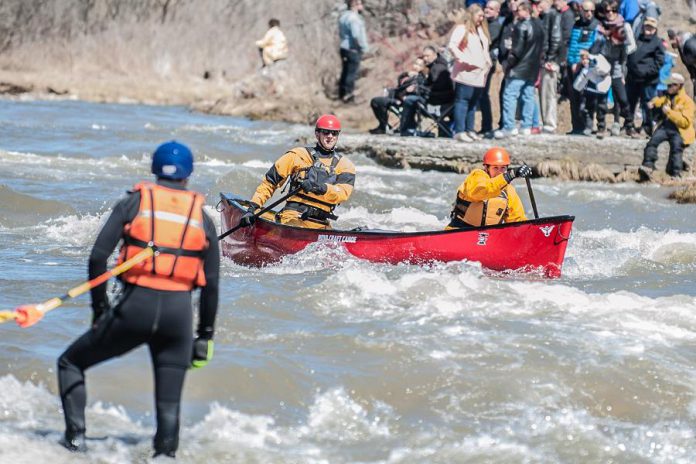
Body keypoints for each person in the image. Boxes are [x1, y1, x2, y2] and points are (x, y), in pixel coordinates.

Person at [57, 141, 220, 458]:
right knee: (169, 404)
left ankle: (73, 446)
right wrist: (205, 337)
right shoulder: (202, 218)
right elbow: (211, 286)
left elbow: (97, 259)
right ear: (188, 176)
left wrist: (100, 309)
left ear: (155, 170)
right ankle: (165, 455)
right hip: (179, 318)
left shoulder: (133, 204)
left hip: (134, 308)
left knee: (70, 362)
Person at [244, 115, 355, 229]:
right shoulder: (297, 155)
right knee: (296, 227)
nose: (330, 136)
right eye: (326, 132)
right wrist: (252, 208)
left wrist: (317, 187)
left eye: (334, 133)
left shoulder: (346, 165)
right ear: (317, 134)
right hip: (293, 217)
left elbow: (342, 194)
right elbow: (269, 183)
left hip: (322, 222)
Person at [446, 147, 531, 229]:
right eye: (495, 168)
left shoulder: (509, 191)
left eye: (503, 168)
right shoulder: (476, 176)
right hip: (459, 230)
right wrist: (510, 175)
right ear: (486, 168)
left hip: (489, 237)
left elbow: (517, 220)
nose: (500, 172)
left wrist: (531, 229)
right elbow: (485, 190)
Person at [495, 1, 545, 139]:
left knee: (509, 96)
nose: (517, 12)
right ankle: (526, 126)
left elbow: (517, 51)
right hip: (532, 68)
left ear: (527, 11)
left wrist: (508, 64)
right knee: (528, 96)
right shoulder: (539, 26)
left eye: (520, 10)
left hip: (519, 68)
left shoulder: (521, 26)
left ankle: (509, 127)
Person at [448, 5, 493, 142]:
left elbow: (484, 49)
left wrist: (488, 62)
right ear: (471, 15)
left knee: (473, 103)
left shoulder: (481, 31)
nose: (482, 18)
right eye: (479, 15)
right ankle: (460, 131)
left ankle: (469, 129)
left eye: (482, 16)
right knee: (463, 101)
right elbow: (452, 46)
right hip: (465, 72)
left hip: (480, 73)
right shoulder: (462, 29)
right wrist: (464, 59)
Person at [639, 73, 695, 180]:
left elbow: (685, 122)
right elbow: (660, 100)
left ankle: (676, 173)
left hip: (680, 130)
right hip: (665, 127)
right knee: (652, 142)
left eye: (670, 85)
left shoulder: (688, 102)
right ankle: (648, 166)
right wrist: (653, 102)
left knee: (676, 148)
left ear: (678, 86)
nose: (668, 88)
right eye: (667, 86)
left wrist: (669, 112)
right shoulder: (668, 97)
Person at [399, 45, 455, 137]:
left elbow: (436, 89)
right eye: (424, 56)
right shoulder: (435, 66)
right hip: (436, 100)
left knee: (409, 100)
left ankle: (407, 129)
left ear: (434, 55)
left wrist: (419, 89)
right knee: (411, 98)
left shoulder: (437, 68)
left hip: (438, 104)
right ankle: (410, 129)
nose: (425, 58)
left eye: (427, 56)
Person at [625, 16, 664, 137]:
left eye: (651, 28)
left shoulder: (657, 42)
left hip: (648, 80)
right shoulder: (637, 39)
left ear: (655, 29)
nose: (648, 29)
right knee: (630, 103)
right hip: (633, 78)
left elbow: (659, 62)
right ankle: (629, 125)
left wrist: (646, 72)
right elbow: (630, 54)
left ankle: (646, 128)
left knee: (647, 104)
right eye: (647, 26)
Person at [566, 1, 601, 134]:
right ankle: (576, 126)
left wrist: (580, 62)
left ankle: (589, 125)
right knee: (574, 97)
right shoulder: (576, 24)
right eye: (586, 10)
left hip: (586, 66)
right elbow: (573, 45)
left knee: (587, 98)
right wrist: (571, 62)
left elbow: (592, 47)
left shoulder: (596, 25)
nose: (589, 13)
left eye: (591, 11)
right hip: (572, 64)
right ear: (581, 10)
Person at [369, 58, 427, 134]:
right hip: (396, 96)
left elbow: (412, 91)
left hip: (404, 101)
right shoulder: (408, 75)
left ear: (423, 68)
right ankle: (384, 125)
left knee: (377, 101)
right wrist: (405, 75)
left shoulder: (420, 78)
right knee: (376, 101)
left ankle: (384, 126)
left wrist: (405, 93)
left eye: (419, 65)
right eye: (415, 63)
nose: (416, 66)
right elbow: (399, 85)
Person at [479, 1, 505, 138]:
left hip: (487, 63)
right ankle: (485, 126)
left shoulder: (495, 26)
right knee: (479, 95)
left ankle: (487, 126)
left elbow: (486, 42)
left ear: (497, 12)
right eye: (486, 7)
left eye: (490, 9)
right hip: (478, 62)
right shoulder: (484, 23)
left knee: (483, 94)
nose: (487, 10)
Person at [538, 0, 562, 133]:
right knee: (542, 93)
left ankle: (550, 123)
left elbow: (556, 38)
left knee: (549, 93)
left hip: (549, 61)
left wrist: (550, 58)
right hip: (541, 60)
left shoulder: (552, 15)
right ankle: (541, 122)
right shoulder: (541, 16)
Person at [338, 0, 370, 103]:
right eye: (360, 4)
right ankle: (348, 97)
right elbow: (356, 36)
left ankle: (341, 95)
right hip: (353, 49)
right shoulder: (354, 19)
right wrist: (361, 48)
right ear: (355, 5)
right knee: (351, 73)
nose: (362, 6)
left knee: (345, 72)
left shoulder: (343, 17)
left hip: (343, 48)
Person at [668, 30, 696, 98]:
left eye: (673, 43)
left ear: (677, 38)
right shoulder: (683, 46)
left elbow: (690, 62)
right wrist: (693, 76)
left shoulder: (690, 45)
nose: (672, 45)